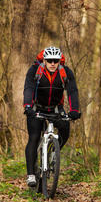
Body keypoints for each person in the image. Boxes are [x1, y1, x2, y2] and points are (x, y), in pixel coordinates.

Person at [23, 46, 80, 187]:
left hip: (55, 108)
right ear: (44, 61)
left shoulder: (65, 72)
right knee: (34, 138)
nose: (53, 64)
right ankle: (31, 174)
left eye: (56, 61)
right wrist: (28, 106)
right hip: (36, 108)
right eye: (49, 61)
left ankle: (55, 151)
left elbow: (72, 90)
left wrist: (74, 110)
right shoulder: (35, 71)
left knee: (65, 129)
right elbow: (28, 88)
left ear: (60, 61)